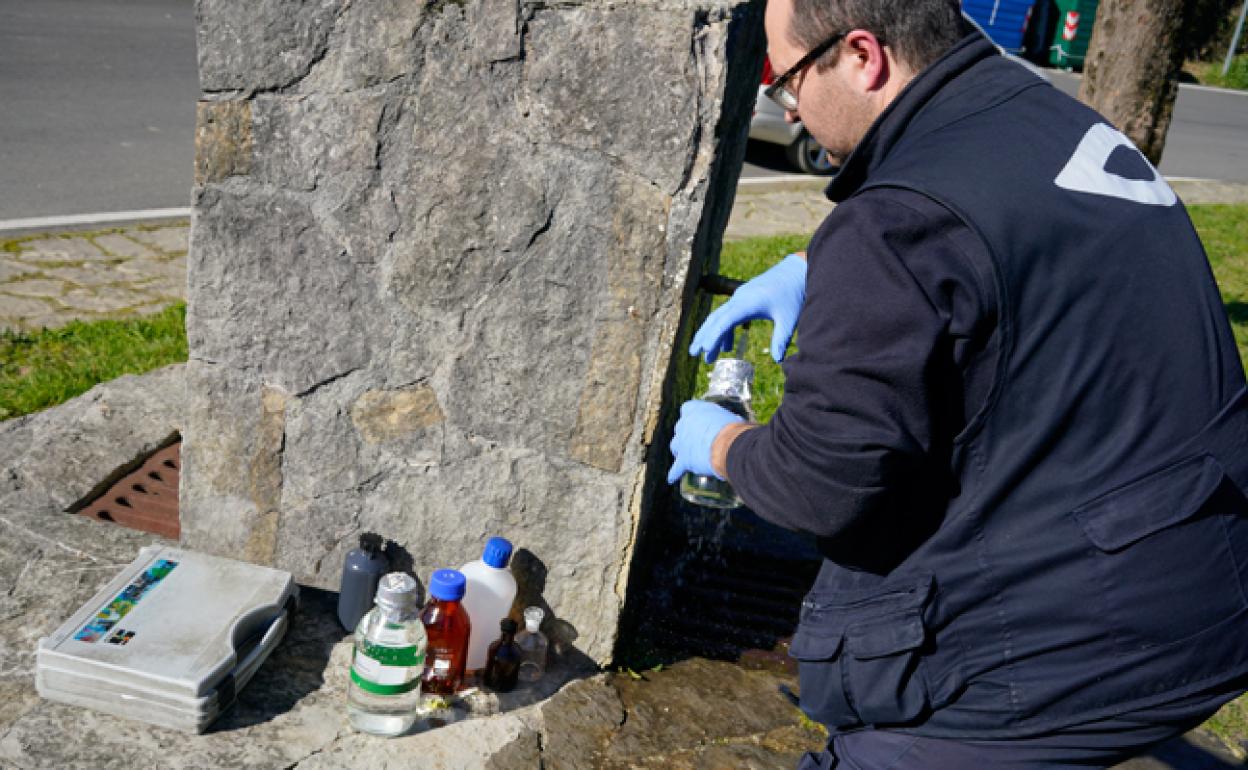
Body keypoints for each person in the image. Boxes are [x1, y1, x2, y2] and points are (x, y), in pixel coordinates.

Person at [666, 1, 1248, 767]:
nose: (793, 108)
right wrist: (809, 266)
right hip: (1202, 581)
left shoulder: (889, 225)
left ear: (864, 56)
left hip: (1057, 653)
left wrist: (725, 444)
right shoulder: (1043, 119)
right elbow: (1008, 221)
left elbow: (821, 484)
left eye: (788, 79)